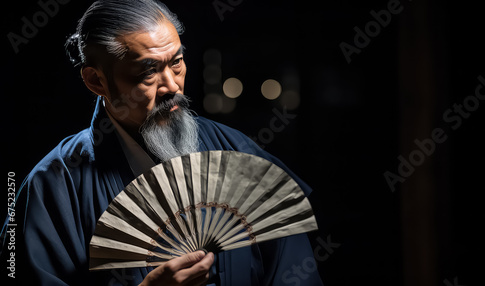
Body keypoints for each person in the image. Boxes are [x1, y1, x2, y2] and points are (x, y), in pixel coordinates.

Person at [1, 0, 323, 285]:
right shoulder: (52, 187)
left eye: (177, 62)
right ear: (96, 80)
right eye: (148, 72)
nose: (172, 86)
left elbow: (294, 271)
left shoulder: (237, 152)